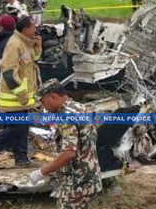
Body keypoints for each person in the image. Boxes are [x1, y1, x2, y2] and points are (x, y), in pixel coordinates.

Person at [27, 80, 101, 209]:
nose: (43, 106)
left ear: (53, 96)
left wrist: (41, 172)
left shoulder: (65, 116)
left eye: (43, 101)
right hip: (89, 176)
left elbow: (68, 153)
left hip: (76, 182)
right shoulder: (80, 107)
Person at [0, 16, 41, 168]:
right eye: (33, 27)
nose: (36, 29)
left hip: (22, 99)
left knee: (22, 128)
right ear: (26, 29)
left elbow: (33, 59)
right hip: (14, 98)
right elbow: (8, 73)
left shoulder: (25, 43)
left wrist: (37, 46)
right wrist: (22, 94)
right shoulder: (14, 44)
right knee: (16, 129)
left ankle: (21, 158)